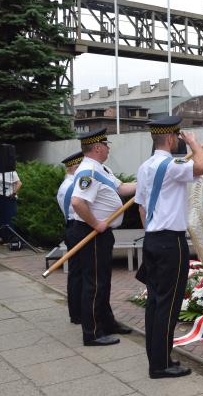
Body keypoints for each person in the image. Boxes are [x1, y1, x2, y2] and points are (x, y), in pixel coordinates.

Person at [135, 116, 203, 378]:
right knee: (169, 303)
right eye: (178, 138)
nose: (180, 141)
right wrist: (194, 144)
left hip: (153, 239)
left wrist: (151, 234)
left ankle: (157, 357)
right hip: (170, 242)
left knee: (156, 302)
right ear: (169, 138)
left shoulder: (145, 167)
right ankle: (160, 365)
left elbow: (142, 207)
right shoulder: (173, 164)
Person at [69, 128, 136, 346]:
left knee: (103, 282)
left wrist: (148, 181)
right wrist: (95, 223)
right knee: (95, 283)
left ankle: (108, 322)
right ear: (98, 147)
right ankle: (93, 333)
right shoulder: (87, 171)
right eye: (106, 144)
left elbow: (124, 188)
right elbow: (78, 202)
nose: (108, 148)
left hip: (102, 234)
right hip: (93, 233)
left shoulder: (101, 168)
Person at [56, 151, 84, 324]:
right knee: (78, 274)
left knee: (75, 273)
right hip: (76, 227)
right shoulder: (73, 186)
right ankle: (78, 313)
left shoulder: (65, 184)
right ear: (76, 167)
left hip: (71, 228)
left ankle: (76, 313)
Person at [0, 166, 21, 243]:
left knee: (9, 217)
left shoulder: (12, 172)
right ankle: (3, 237)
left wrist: (14, 193)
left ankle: (11, 238)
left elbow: (19, 183)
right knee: (0, 217)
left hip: (9, 197)